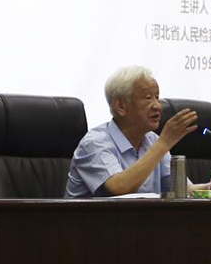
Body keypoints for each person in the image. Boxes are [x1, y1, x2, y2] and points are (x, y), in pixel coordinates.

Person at [65, 66, 199, 198]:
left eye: (157, 97)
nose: (157, 106)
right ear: (120, 106)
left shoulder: (152, 140)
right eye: (148, 98)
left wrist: (210, 186)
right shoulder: (94, 143)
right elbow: (118, 187)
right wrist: (164, 143)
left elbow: (186, 190)